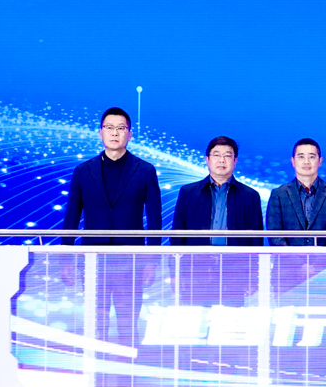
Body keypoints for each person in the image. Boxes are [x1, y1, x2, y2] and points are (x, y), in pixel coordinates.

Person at [61, 107, 162, 344]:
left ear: (130, 134)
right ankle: (96, 366)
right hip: (93, 260)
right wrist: (65, 259)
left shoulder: (145, 170)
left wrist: (152, 261)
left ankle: (129, 366)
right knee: (96, 324)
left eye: (120, 128)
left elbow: (154, 219)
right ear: (100, 133)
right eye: (109, 128)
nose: (114, 133)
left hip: (131, 261)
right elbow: (71, 217)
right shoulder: (83, 171)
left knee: (128, 323)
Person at [169, 136, 263, 308]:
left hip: (233, 273)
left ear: (235, 161)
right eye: (216, 155)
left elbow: (255, 242)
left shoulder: (250, 196)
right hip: (196, 271)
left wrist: (253, 277)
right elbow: (177, 236)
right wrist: (175, 273)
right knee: (195, 321)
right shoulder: (188, 193)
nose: (221, 160)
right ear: (207, 159)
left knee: (230, 322)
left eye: (227, 155)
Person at [266, 138, 326, 246]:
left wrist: (322, 257)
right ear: (293, 161)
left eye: (312, 157)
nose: (306, 162)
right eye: (301, 157)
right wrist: (291, 257)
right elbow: (274, 234)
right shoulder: (279, 195)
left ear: (320, 161)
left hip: (325, 257)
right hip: (287, 257)